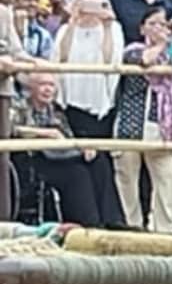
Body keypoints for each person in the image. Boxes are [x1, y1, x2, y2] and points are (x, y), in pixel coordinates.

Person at [112, 6, 172, 234]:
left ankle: (165, 227)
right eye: (153, 23)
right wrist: (159, 43)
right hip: (131, 122)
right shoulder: (132, 48)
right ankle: (131, 225)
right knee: (127, 177)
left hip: (163, 123)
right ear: (142, 28)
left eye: (162, 23)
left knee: (167, 177)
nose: (159, 28)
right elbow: (145, 61)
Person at [53, 0, 125, 226]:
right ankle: (91, 216)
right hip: (72, 99)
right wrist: (73, 20)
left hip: (99, 101)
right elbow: (60, 57)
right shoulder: (65, 29)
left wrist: (106, 24)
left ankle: (109, 217)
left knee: (100, 157)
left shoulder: (113, 29)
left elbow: (110, 60)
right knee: (82, 157)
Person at [11, 72, 104, 226]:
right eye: (43, 85)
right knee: (76, 173)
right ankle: (87, 224)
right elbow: (12, 128)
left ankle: (110, 220)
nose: (48, 89)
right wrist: (45, 133)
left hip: (58, 155)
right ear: (31, 88)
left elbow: (67, 137)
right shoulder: (20, 107)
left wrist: (82, 148)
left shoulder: (57, 112)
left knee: (98, 162)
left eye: (51, 85)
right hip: (33, 159)